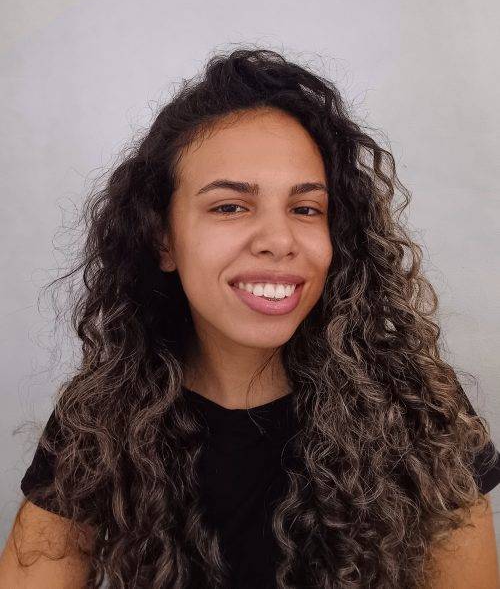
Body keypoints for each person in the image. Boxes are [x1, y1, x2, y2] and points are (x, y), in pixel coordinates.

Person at [1, 47, 499, 589]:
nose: (279, 240)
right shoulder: (101, 419)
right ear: (163, 239)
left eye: (305, 209)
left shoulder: (421, 411)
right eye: (230, 207)